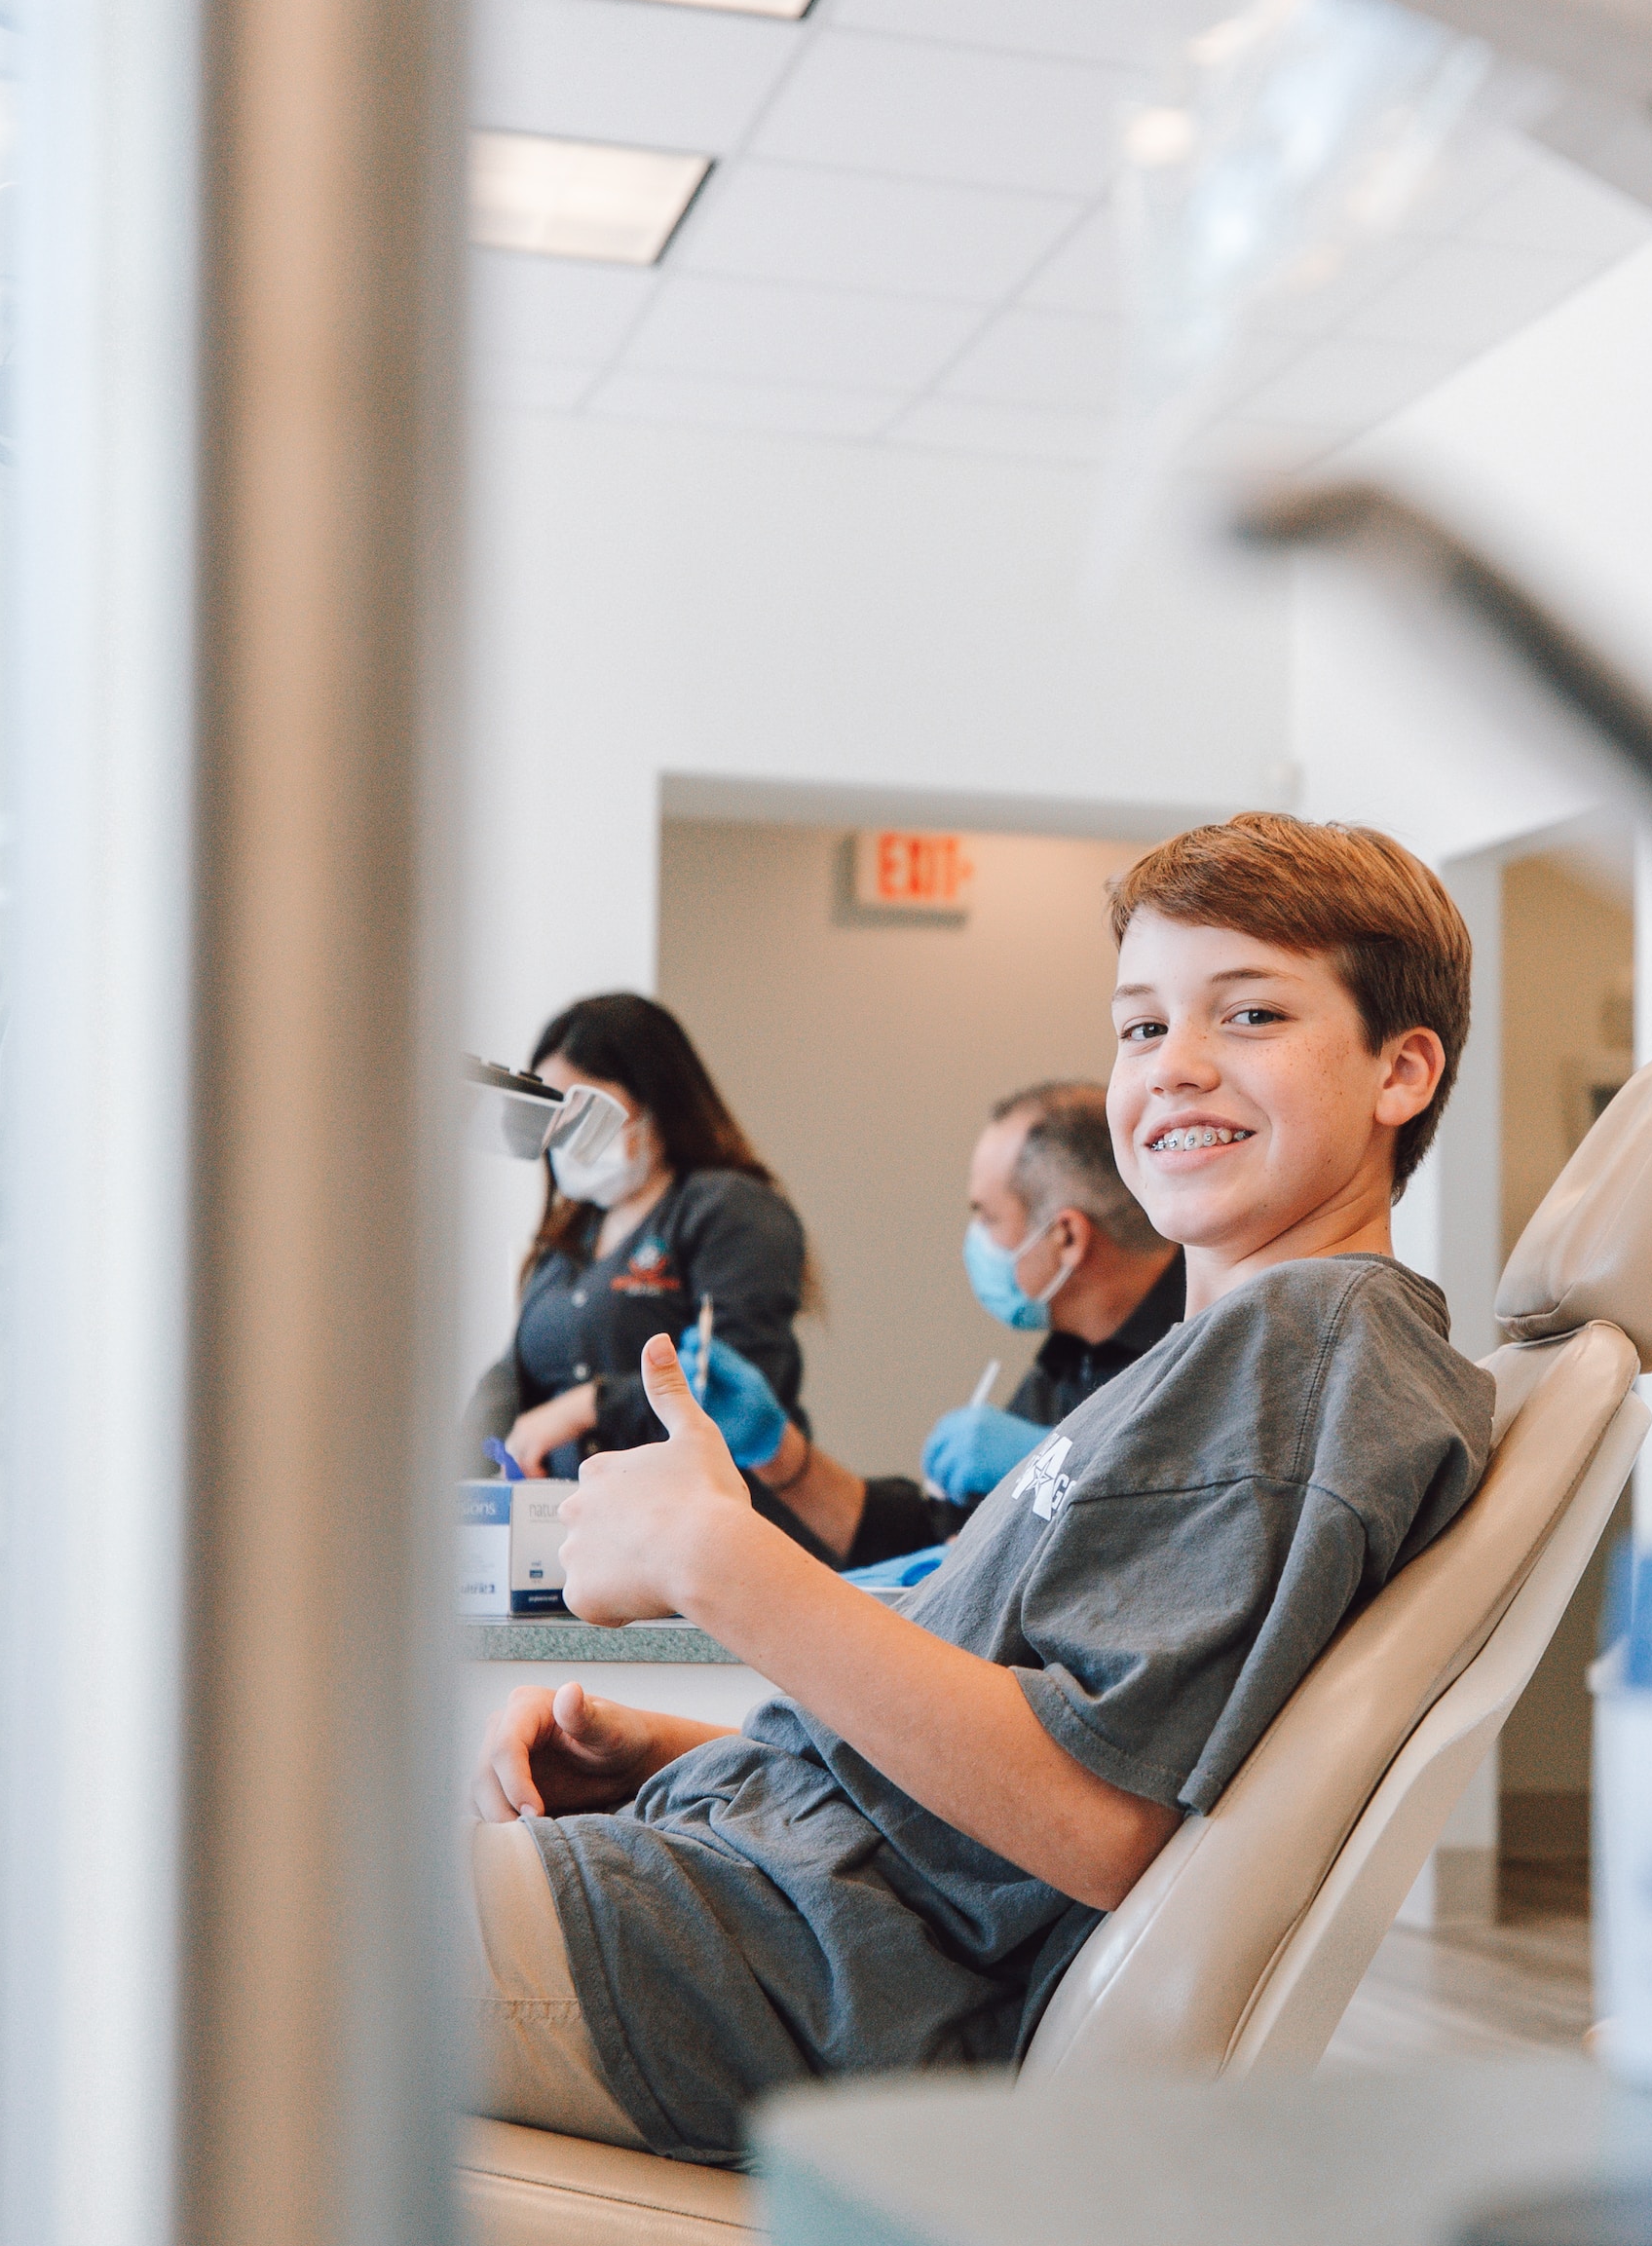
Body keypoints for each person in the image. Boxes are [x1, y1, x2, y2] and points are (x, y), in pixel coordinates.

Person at [468, 815, 1492, 2164]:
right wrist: (678, 1750)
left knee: (187, 1924)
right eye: (1140, 1029)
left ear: (1400, 1070)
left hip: (788, 1974)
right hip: (752, 1900)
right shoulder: (1214, 1364)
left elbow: (1095, 1823)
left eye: (1248, 1015)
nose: (1176, 1066)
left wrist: (718, 1561)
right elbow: (990, 1776)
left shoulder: (1305, 1350)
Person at [715, 1081, 1184, 1571]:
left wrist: (1059, 1465)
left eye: (986, 1215)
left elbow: (1190, 1545)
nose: (974, 1238)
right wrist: (779, 1453)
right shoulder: (1071, 1357)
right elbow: (943, 1542)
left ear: (1065, 1236)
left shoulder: (1204, 1350)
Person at [462, 992, 841, 1562]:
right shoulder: (570, 1237)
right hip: (587, 1549)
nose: (566, 1133)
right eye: (553, 1113)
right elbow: (517, 1374)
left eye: (582, 1107)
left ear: (654, 1098)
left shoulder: (729, 1210)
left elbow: (730, 1378)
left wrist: (588, 1404)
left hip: (715, 1547)